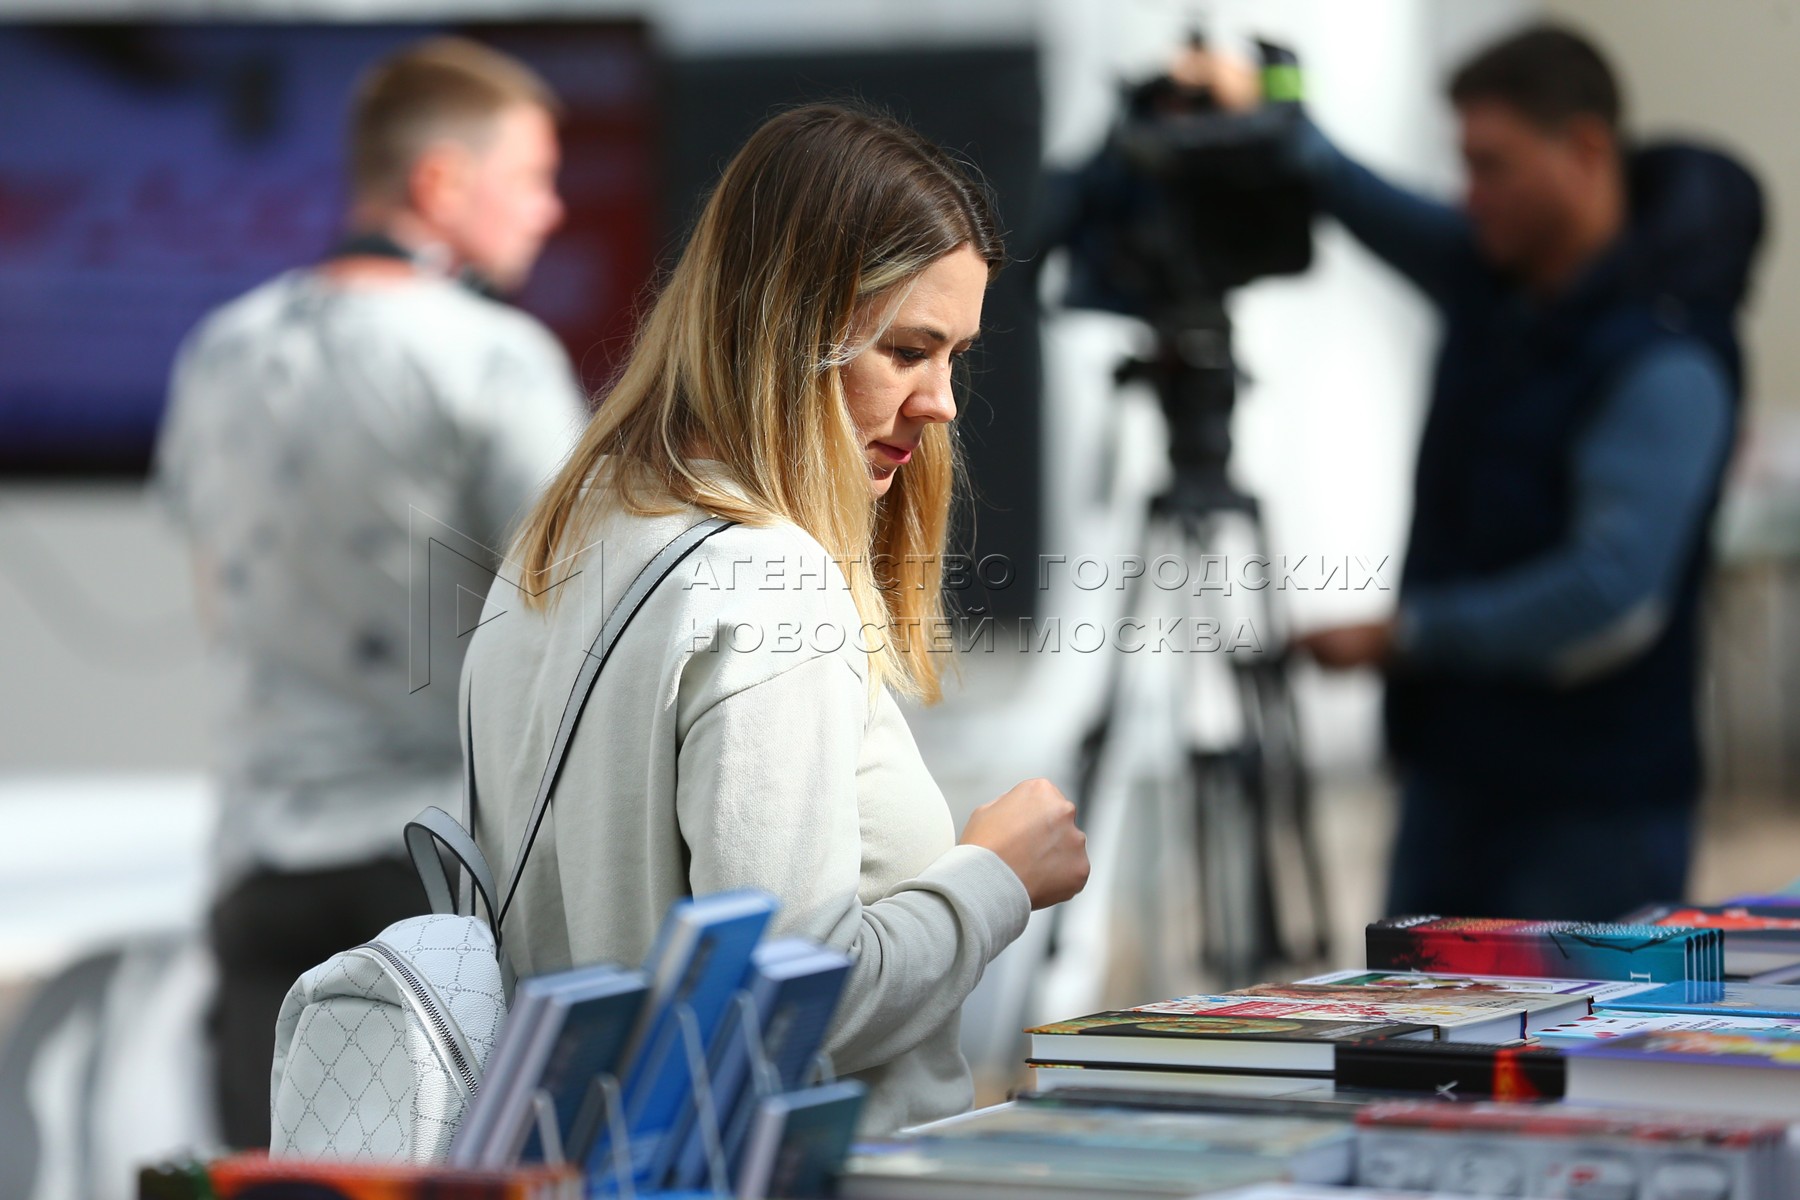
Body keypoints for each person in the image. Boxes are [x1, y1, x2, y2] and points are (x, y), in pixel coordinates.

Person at [461, 103, 1090, 1136]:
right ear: (787, 327)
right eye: (907, 350)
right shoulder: (765, 579)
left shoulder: (568, 531)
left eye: (955, 356)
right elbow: (793, 1001)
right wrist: (995, 880)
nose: (943, 402)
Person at [152, 37, 587, 1147]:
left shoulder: (217, 349)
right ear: (439, 182)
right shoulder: (496, 356)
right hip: (436, 880)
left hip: (256, 868)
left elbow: (212, 587)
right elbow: (576, 606)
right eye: (532, 177)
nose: (551, 210)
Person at [1222, 26, 1762, 920]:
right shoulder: (1500, 277)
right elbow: (1365, 198)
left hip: (1594, 815)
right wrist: (1272, 115)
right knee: (1411, 1014)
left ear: (1584, 149)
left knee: (1566, 1023)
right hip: (1455, 780)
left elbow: (1609, 597)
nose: (1469, 195)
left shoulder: (1665, 352)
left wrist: (1407, 635)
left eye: (1492, 165)